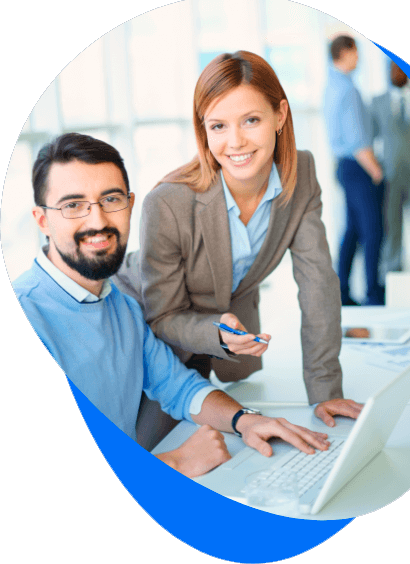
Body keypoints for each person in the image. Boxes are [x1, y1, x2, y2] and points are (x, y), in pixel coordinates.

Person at [12, 132, 337, 479]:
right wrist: (175, 462)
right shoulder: (31, 314)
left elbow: (178, 387)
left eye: (111, 199)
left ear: (130, 205)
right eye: (73, 205)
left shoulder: (120, 305)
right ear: (42, 220)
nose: (98, 221)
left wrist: (246, 420)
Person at [113, 50, 363, 432]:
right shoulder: (168, 201)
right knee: (148, 443)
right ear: (203, 130)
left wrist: (325, 390)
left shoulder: (301, 173)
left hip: (219, 344)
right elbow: (163, 315)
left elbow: (319, 285)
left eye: (251, 120)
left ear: (280, 115)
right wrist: (216, 333)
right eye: (218, 126)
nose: (236, 142)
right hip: (142, 333)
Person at [323, 35, 385, 306]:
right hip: (359, 167)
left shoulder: (331, 85)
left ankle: (342, 291)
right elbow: (358, 141)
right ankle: (373, 293)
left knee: (353, 230)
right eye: (355, 52)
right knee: (373, 231)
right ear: (345, 52)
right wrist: (376, 171)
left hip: (344, 167)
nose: (358, 58)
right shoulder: (348, 89)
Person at [371, 62, 410, 278]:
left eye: (400, 69)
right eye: (392, 69)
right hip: (390, 175)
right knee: (392, 227)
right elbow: (370, 138)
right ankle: (392, 274)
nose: (396, 73)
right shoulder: (378, 102)